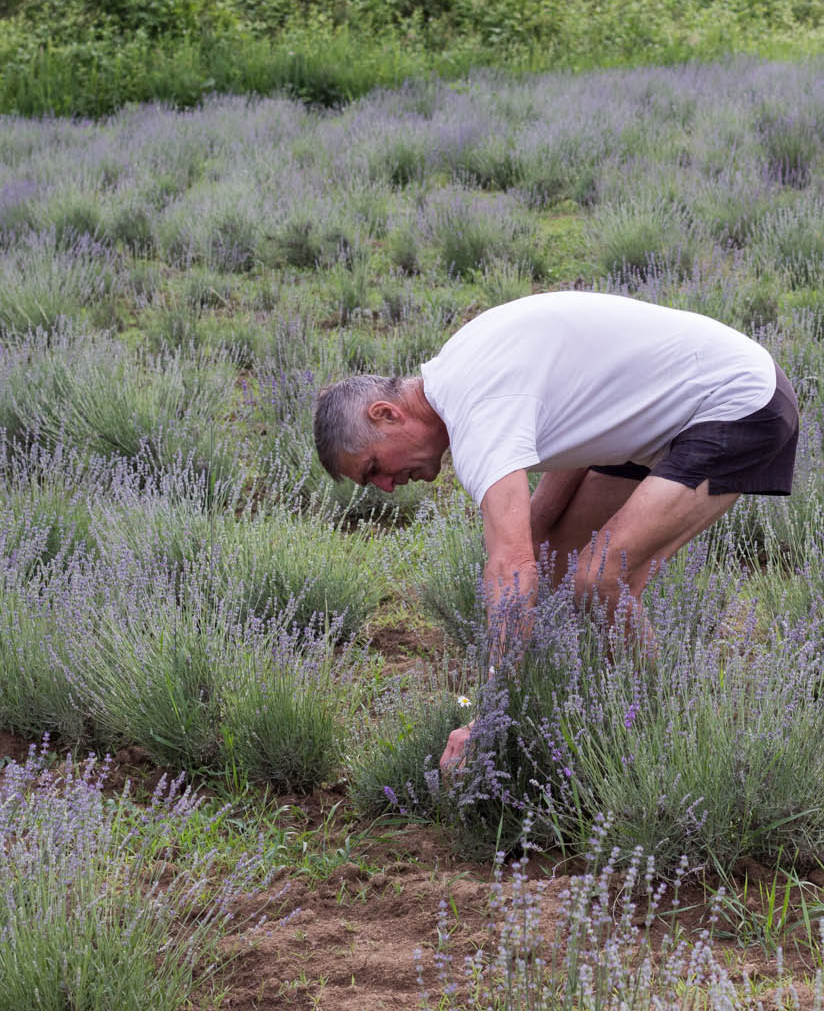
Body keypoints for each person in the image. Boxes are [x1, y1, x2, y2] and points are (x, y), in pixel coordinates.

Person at [314, 290, 799, 772]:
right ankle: (597, 715)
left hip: (735, 400)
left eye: (374, 466)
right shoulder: (458, 371)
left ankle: (670, 737)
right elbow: (570, 438)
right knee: (555, 559)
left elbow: (511, 567)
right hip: (658, 415)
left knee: (600, 578)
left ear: (385, 413)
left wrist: (488, 715)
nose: (385, 487)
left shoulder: (477, 412)